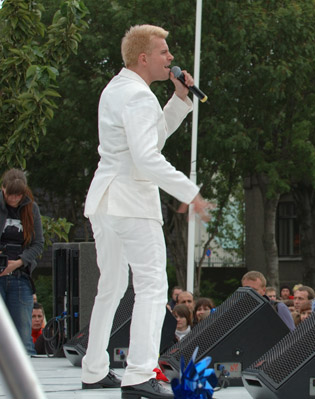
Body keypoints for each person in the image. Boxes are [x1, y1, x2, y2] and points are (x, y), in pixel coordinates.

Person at [81, 24, 212, 398]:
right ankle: (139, 375)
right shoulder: (138, 97)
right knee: (153, 287)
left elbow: (149, 138)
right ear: (144, 58)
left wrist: (179, 99)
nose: (171, 57)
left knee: (112, 286)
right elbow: (146, 155)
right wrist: (191, 192)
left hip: (106, 201)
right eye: (164, 52)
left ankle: (94, 368)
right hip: (131, 202)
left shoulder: (119, 89)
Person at [0, 169, 44, 356]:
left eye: (19, 195)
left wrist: (18, 262)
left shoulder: (31, 208)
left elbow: (38, 243)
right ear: (3, 189)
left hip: (20, 275)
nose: (14, 199)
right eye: (11, 194)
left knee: (24, 335)